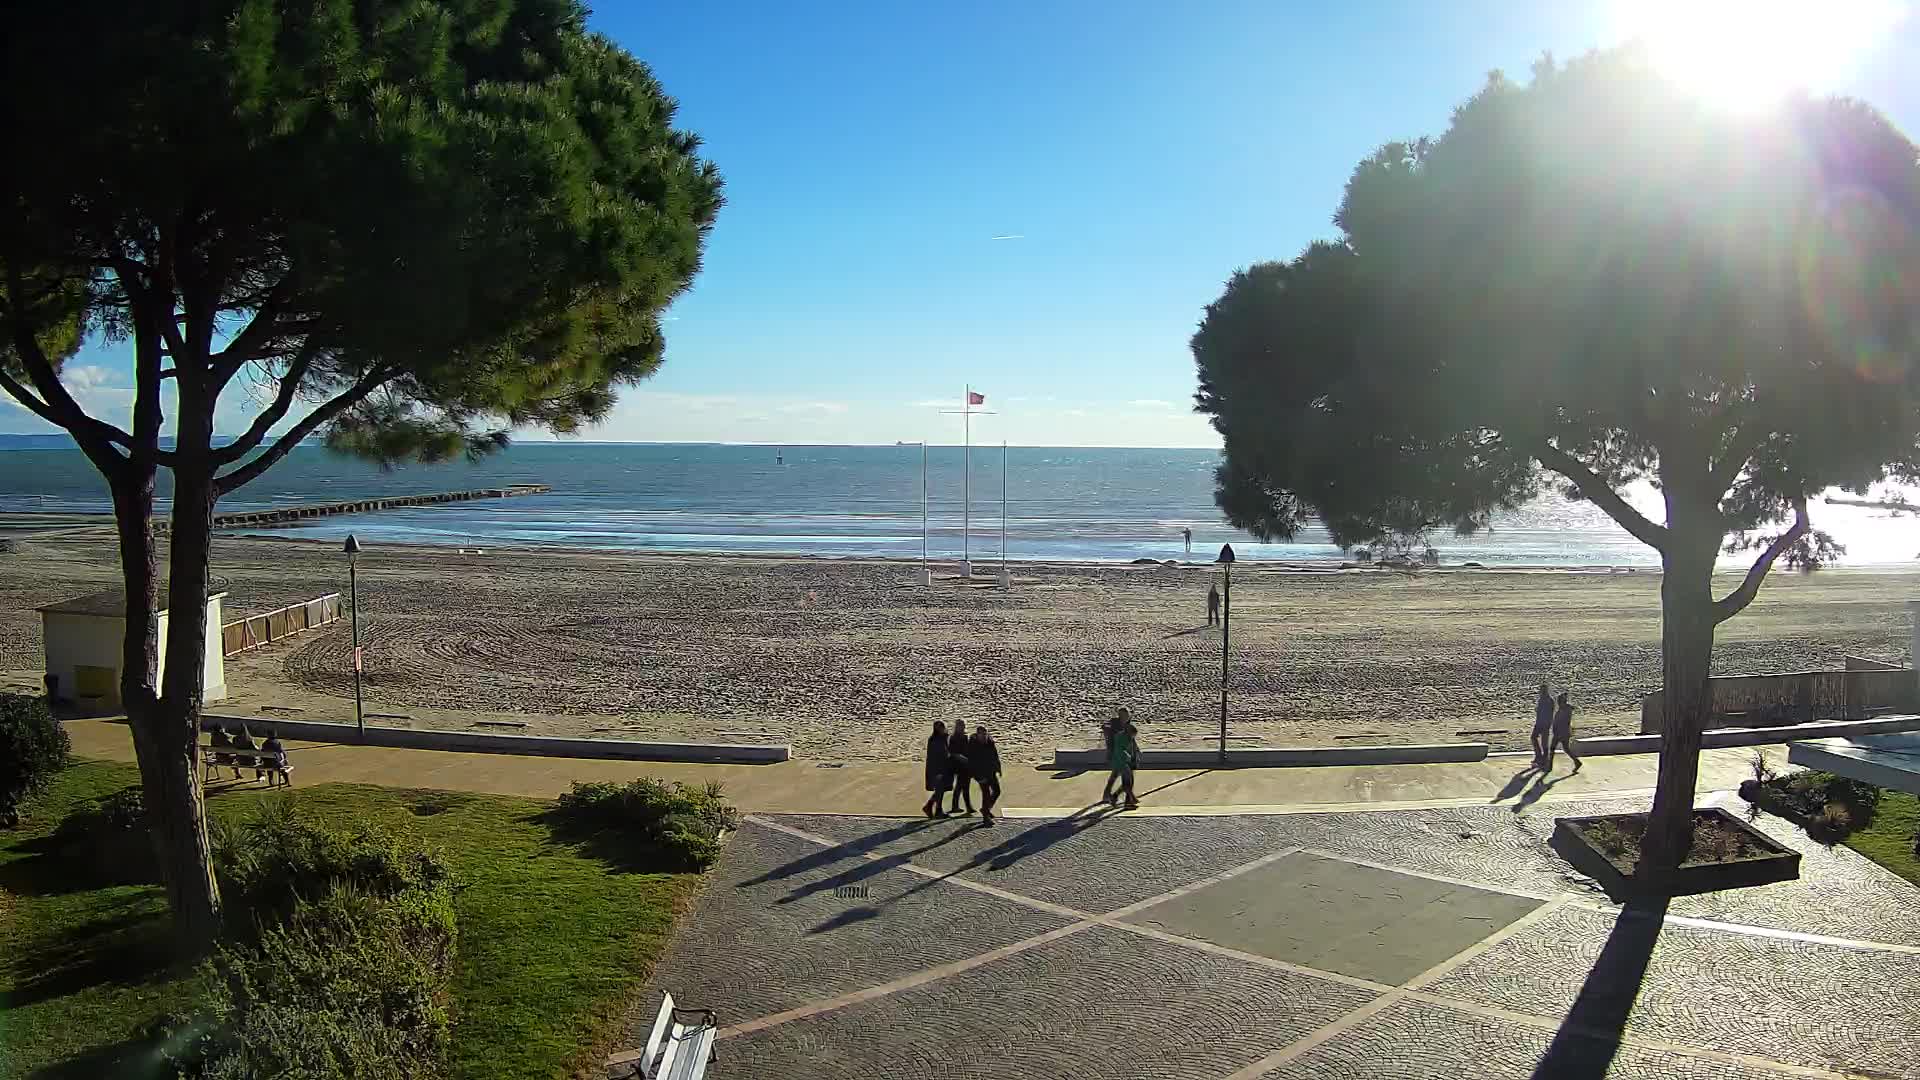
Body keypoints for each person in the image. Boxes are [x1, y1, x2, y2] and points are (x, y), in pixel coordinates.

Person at [969, 726, 1003, 825]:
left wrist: (998, 769)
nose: (984, 737)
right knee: (986, 793)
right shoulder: (973, 744)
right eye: (981, 735)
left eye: (985, 734)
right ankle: (986, 817)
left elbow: (995, 756)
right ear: (977, 735)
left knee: (997, 791)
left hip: (991, 771)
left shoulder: (990, 742)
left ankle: (986, 809)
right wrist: (977, 777)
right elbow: (971, 762)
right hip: (981, 773)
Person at [1109, 722, 1140, 809]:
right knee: (1128, 783)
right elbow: (1122, 752)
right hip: (1123, 763)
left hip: (1126, 763)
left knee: (1127, 783)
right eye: (1134, 735)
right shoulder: (1123, 738)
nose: (1134, 737)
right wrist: (1129, 758)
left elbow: (1133, 748)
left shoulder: (1127, 737)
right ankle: (1129, 802)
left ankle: (1114, 797)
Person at [923, 721, 951, 818]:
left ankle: (930, 807)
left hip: (943, 768)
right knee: (940, 790)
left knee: (941, 790)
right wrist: (938, 772)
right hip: (937, 770)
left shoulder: (943, 738)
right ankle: (937, 810)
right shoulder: (934, 741)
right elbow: (934, 758)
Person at [947, 719, 975, 816]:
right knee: (962, 786)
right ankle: (965, 807)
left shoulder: (964, 736)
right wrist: (963, 758)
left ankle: (962, 806)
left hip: (965, 765)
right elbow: (952, 752)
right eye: (961, 725)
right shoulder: (954, 738)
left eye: (963, 725)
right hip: (959, 765)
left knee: (962, 786)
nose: (962, 727)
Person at [1548, 692, 1581, 773]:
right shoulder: (1565, 708)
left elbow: (1561, 722)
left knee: (1552, 749)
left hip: (1561, 733)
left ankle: (1549, 767)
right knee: (1566, 749)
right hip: (1563, 733)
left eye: (1559, 701)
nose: (1558, 703)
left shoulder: (1565, 710)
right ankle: (1577, 762)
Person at [1101, 708, 1129, 804]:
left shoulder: (1122, 725)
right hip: (1118, 755)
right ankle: (1116, 797)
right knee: (1125, 778)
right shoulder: (1117, 727)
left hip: (1119, 755)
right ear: (1122, 715)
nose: (1128, 717)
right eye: (1126, 715)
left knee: (1115, 775)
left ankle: (1107, 795)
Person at [1531, 683, 1553, 768]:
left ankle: (1542, 758)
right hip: (1540, 722)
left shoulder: (1547, 700)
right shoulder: (1543, 699)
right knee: (1535, 738)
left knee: (1543, 742)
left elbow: (1549, 713)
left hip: (1544, 723)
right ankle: (1540, 756)